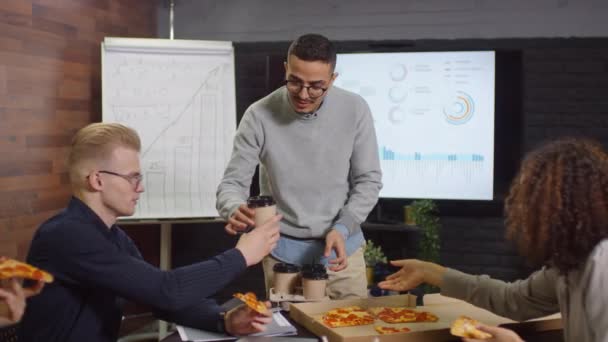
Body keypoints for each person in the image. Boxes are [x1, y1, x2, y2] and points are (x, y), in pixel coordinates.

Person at [19, 123, 281, 342]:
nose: (140, 188)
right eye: (133, 178)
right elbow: (166, 290)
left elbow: (158, 299)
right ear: (97, 180)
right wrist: (242, 255)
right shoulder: (66, 235)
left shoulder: (112, 236)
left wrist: (224, 320)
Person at [378, 138, 608, 342]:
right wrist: (432, 272)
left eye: (534, 201)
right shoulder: (569, 263)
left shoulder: (602, 267)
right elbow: (513, 299)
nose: (525, 213)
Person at [216, 33, 382, 299]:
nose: (304, 94)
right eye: (295, 82)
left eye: (316, 86)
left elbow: (369, 180)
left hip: (341, 250)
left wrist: (343, 227)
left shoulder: (355, 109)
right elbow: (232, 184)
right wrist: (233, 207)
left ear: (333, 79)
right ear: (286, 68)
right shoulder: (258, 115)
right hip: (282, 256)